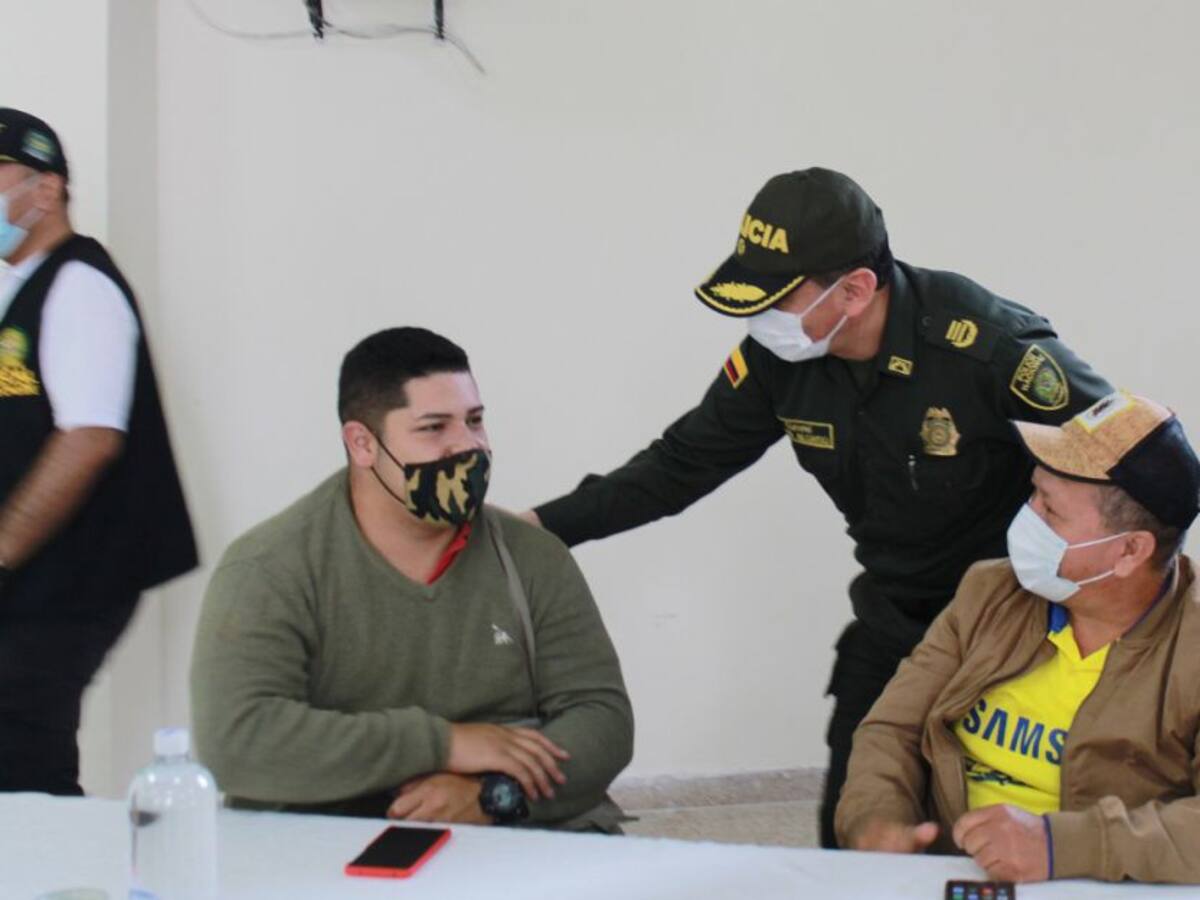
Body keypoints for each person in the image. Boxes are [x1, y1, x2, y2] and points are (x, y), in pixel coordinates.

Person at [525, 168, 1113, 846]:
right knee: (852, 833)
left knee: (993, 840)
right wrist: (543, 527)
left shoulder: (985, 345)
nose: (760, 319)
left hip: (1017, 631)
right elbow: (680, 465)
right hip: (896, 619)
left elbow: (1140, 463)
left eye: (778, 299)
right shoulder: (781, 360)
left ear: (857, 290)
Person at [190, 327, 634, 831]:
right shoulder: (269, 569)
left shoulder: (531, 556)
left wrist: (491, 797)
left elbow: (602, 720)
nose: (466, 446)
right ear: (362, 444)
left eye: (475, 421)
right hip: (330, 838)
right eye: (433, 428)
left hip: (516, 826)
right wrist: (446, 743)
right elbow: (238, 741)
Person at [836, 391, 1200, 883]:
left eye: (1050, 510)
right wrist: (877, 817)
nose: (1027, 518)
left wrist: (1059, 846)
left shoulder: (1190, 647)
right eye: (1033, 493)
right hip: (951, 874)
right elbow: (892, 728)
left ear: (1130, 551)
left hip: (1100, 884)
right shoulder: (990, 591)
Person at [0, 108, 197, 794]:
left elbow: (89, 439)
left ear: (45, 189)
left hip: (70, 580)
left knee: (23, 760)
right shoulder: (21, 287)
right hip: (35, 577)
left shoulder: (81, 287)